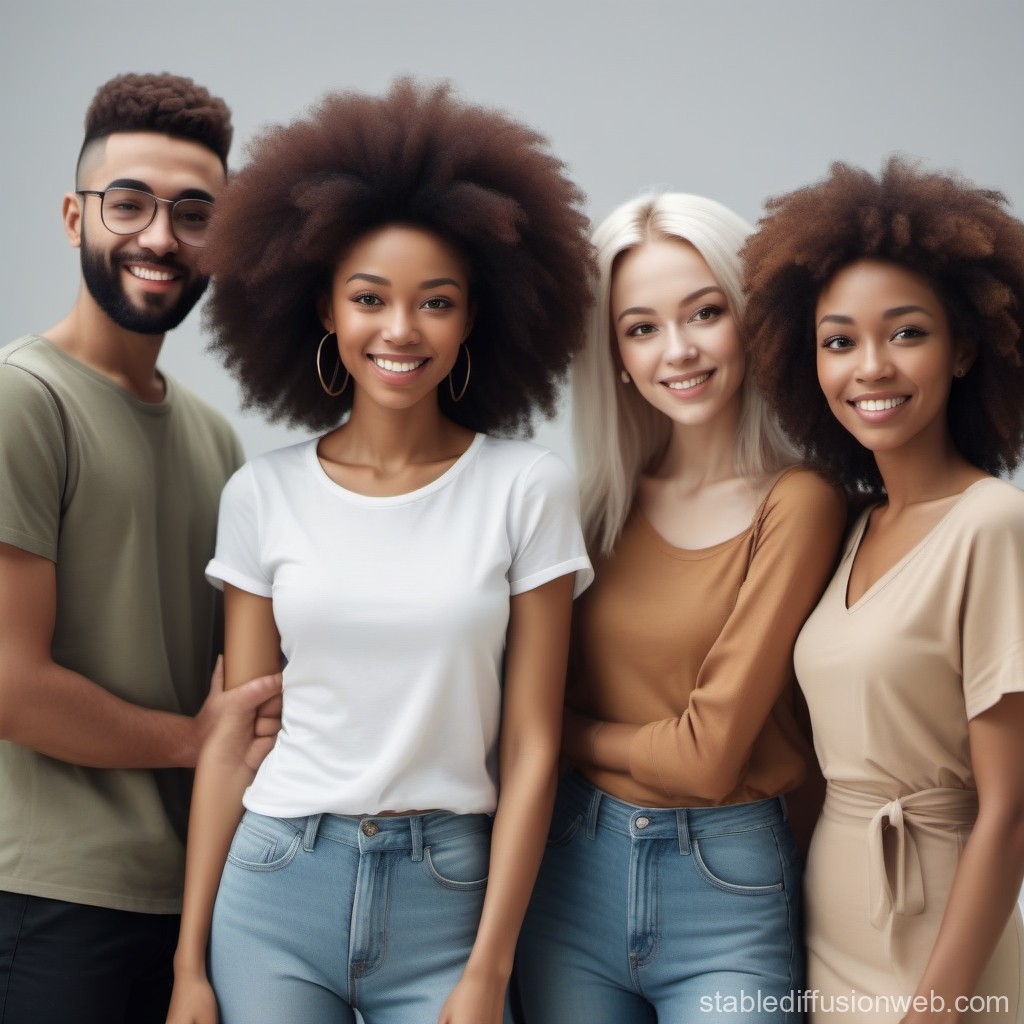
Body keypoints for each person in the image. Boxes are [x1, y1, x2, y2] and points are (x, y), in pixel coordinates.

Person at [164, 78, 595, 1024]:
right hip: (276, 880)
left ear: (474, 316)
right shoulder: (262, 494)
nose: (400, 331)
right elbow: (236, 735)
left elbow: (531, 747)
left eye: (435, 303)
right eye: (370, 299)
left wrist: (489, 968)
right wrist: (188, 966)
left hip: (446, 894)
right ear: (324, 310)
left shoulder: (526, 489)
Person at [515, 193, 845, 1023]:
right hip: (570, 873)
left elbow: (706, 758)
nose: (680, 350)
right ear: (616, 354)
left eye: (705, 313)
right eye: (643, 327)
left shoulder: (799, 502)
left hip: (725, 882)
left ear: (749, 320)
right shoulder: (596, 508)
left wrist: (563, 730)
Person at [0, 73, 281, 1024]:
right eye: (129, 204)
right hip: (47, 900)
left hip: (187, 907)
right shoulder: (21, 403)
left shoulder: (216, 440)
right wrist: (195, 742)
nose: (160, 237)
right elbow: (9, 686)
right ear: (77, 216)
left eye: (194, 214)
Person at [742, 156, 1024, 1023]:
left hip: (944, 955)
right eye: (839, 340)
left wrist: (935, 1010)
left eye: (906, 333)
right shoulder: (853, 525)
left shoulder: (991, 525)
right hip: (831, 938)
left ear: (965, 346)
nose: (871, 366)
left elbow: (1010, 810)